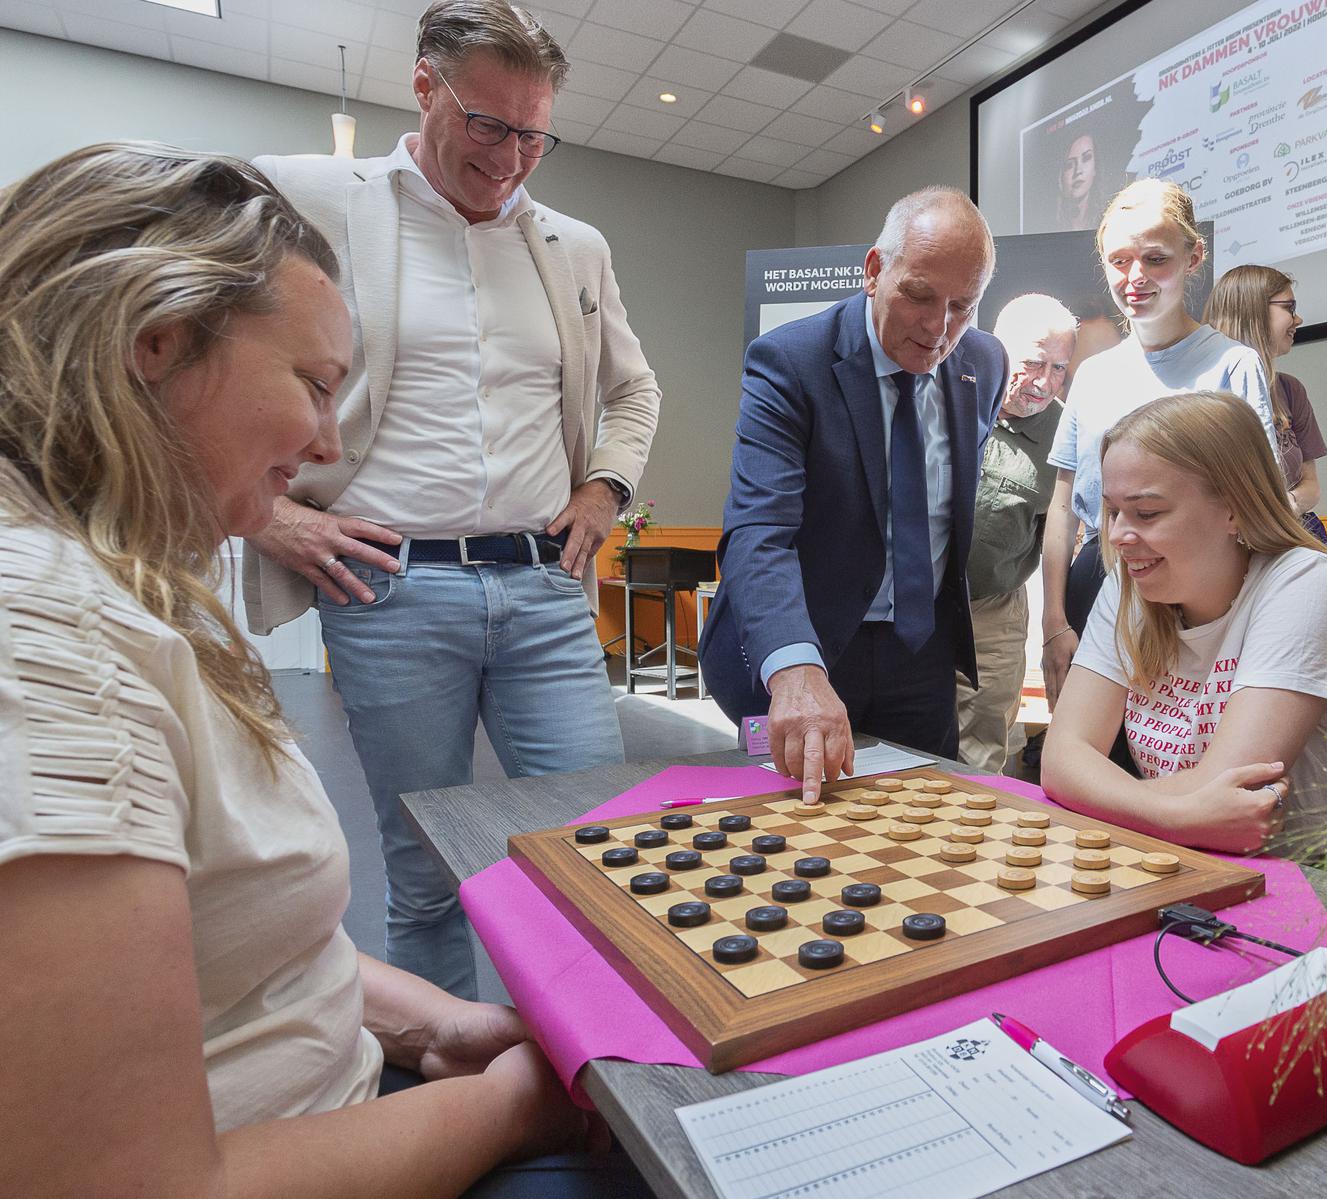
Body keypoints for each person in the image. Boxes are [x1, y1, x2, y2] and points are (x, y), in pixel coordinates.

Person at [0, 142, 630, 1199]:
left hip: (347, 1088)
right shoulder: (52, 644)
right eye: (312, 384)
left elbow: (238, 960)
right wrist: (515, 1102)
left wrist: (437, 1023)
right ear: (156, 347)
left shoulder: (126, 588)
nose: (329, 444)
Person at [243, 0, 661, 1000]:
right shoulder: (316, 199)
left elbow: (633, 390)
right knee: (423, 866)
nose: (512, 156)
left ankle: (578, 1075)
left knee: (596, 848)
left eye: (534, 134)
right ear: (425, 85)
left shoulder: (574, 248)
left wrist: (604, 487)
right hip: (390, 589)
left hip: (544, 585)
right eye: (488, 124)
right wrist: (271, 514)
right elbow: (202, 347)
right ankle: (444, 1084)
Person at [697, 188, 1010, 800]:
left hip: (921, 654)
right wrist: (792, 665)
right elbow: (760, 529)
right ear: (874, 271)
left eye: (962, 307)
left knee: (923, 841)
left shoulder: (985, 364)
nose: (937, 328)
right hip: (808, 642)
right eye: (919, 296)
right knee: (793, 845)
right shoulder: (791, 361)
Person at [1040, 392, 1327, 858]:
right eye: (1114, 511)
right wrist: (1178, 819)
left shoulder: (1307, 583)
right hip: (1178, 853)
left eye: (1147, 513)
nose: (1116, 536)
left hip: (1314, 885)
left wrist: (1104, 796)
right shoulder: (1132, 579)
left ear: (1234, 506)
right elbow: (1060, 761)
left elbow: (1230, 789)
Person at [1039, 178, 1279, 707]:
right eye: (1119, 260)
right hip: (1099, 579)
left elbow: (1260, 503)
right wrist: (1054, 623)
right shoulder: (1095, 375)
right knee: (1097, 750)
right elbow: (1063, 507)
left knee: (1180, 749)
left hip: (1197, 596)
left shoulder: (1231, 364)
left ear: (1194, 257)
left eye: (1155, 258)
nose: (1135, 277)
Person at [955, 294, 1077, 772]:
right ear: (996, 348)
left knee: (980, 747)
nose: (1044, 382)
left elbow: (1059, 535)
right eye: (1033, 363)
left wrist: (1055, 621)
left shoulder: (1066, 432)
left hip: (992, 610)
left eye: (1059, 368)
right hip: (912, 603)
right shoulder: (946, 389)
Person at [1203, 264, 1327, 544]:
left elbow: (1311, 486)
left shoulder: (1291, 390)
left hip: (1292, 528)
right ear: (1253, 311)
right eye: (1289, 307)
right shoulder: (1205, 397)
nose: (1298, 318)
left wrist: (1286, 507)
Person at [1056, 133, 1102, 230]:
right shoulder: (1052, 222)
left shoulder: (1107, 220)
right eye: (1069, 165)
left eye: (1086, 158)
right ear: (1060, 177)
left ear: (1095, 167)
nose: (1078, 171)